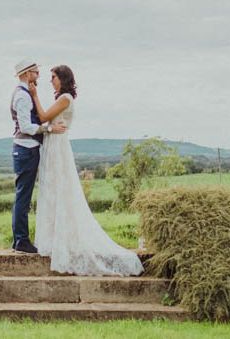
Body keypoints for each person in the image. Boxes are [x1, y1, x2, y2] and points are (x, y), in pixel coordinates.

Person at [30, 65, 144, 276]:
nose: (50, 80)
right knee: (53, 191)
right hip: (54, 145)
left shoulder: (65, 98)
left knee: (61, 191)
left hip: (58, 147)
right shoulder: (62, 97)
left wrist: (35, 95)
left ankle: (63, 240)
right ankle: (54, 238)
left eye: (53, 77)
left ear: (62, 78)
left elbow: (44, 116)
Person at [10, 59, 66, 253]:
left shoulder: (25, 94)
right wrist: (49, 128)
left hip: (27, 149)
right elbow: (26, 127)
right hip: (26, 149)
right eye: (35, 72)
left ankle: (19, 239)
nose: (38, 75)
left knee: (23, 196)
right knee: (23, 197)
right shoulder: (23, 97)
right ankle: (21, 241)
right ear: (26, 74)